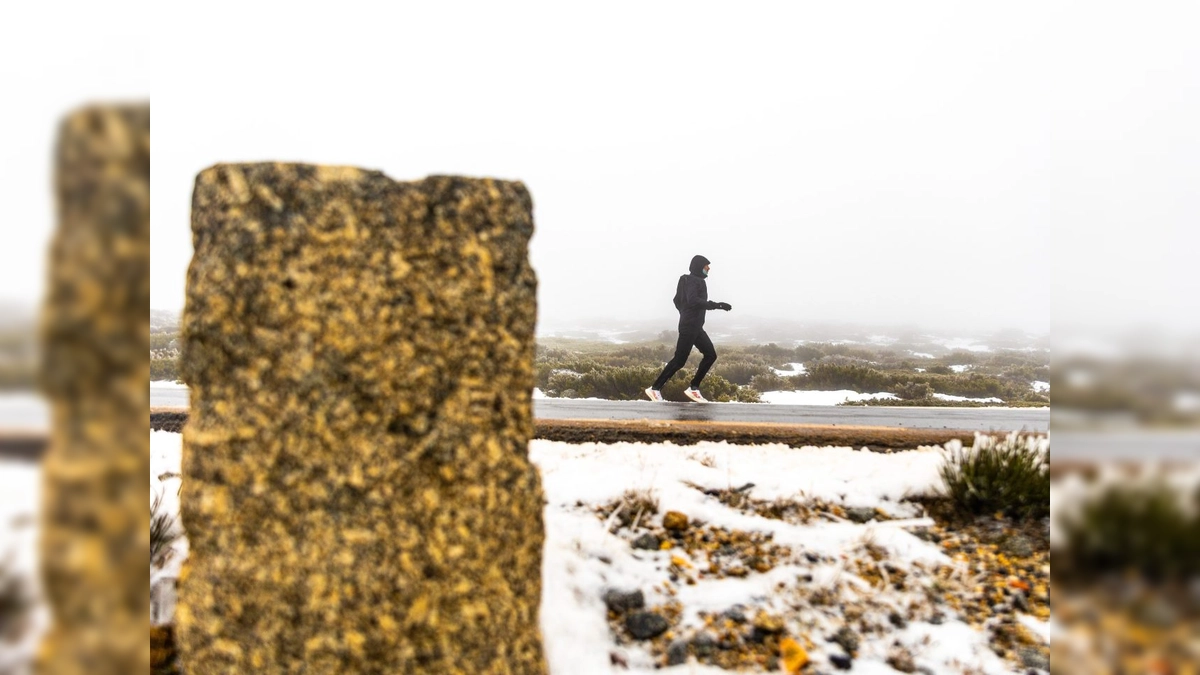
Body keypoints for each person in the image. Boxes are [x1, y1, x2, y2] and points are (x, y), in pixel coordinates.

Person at [645, 254, 731, 402]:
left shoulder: (689, 280)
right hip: (690, 326)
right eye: (706, 266)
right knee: (679, 360)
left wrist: (685, 313)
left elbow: (677, 301)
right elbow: (692, 301)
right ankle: (655, 389)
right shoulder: (694, 280)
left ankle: (693, 388)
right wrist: (717, 305)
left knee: (710, 355)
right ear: (699, 266)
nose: (708, 268)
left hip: (695, 326)